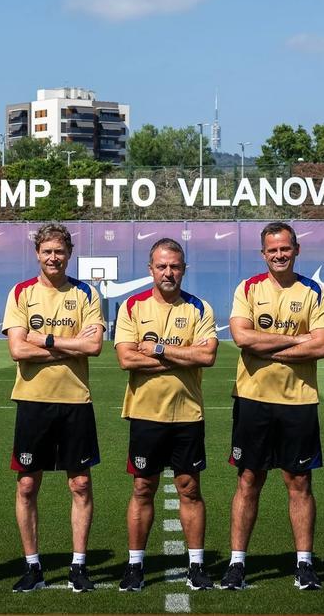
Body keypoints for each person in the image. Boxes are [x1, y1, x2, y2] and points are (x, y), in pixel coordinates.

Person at [222, 222, 324, 591]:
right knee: (248, 479)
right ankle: (237, 563)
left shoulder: (314, 291)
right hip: (252, 399)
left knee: (298, 481)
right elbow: (242, 338)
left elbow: (321, 346)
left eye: (285, 248)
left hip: (299, 400)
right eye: (273, 250)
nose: (280, 255)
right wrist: (296, 340)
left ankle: (304, 563)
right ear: (263, 254)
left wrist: (266, 346)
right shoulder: (248, 288)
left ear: (297, 250)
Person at [2, 223, 105, 593]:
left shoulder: (86, 293)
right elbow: (18, 350)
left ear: (69, 253)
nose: (53, 257)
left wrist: (44, 339)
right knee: (28, 485)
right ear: (37, 254)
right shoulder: (21, 293)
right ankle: (33, 567)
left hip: (75, 401)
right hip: (33, 401)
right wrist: (69, 345)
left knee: (80, 484)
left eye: (59, 251)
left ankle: (78, 566)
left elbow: (93, 347)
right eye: (47, 251)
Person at [114, 239, 219, 592]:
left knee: (190, 488)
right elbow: (127, 359)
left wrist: (158, 349)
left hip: (187, 413)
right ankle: (135, 566)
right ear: (151, 269)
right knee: (143, 488)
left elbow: (207, 357)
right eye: (162, 266)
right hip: (145, 413)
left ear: (184, 269)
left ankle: (196, 566)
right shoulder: (133, 306)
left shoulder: (199, 308)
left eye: (174, 266)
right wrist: (182, 355)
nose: (168, 272)